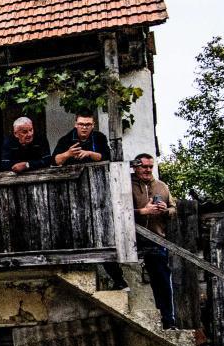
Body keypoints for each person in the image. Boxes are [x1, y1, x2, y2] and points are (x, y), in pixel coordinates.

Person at [53, 113, 127, 288]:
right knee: (73, 231)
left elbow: (107, 157)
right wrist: (69, 154)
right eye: (81, 124)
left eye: (88, 124)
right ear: (75, 124)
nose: (84, 127)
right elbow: (55, 160)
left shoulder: (99, 138)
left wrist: (89, 153)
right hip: (73, 194)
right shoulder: (66, 140)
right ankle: (75, 269)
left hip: (98, 194)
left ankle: (118, 279)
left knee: (103, 235)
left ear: (93, 125)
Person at [131, 154, 177, 329]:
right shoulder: (126, 185)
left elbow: (174, 209)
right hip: (132, 239)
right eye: (144, 166)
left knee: (163, 282)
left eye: (150, 167)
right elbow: (119, 209)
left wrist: (166, 211)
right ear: (136, 167)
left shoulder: (162, 187)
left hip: (156, 239)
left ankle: (168, 321)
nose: (148, 170)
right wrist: (143, 211)